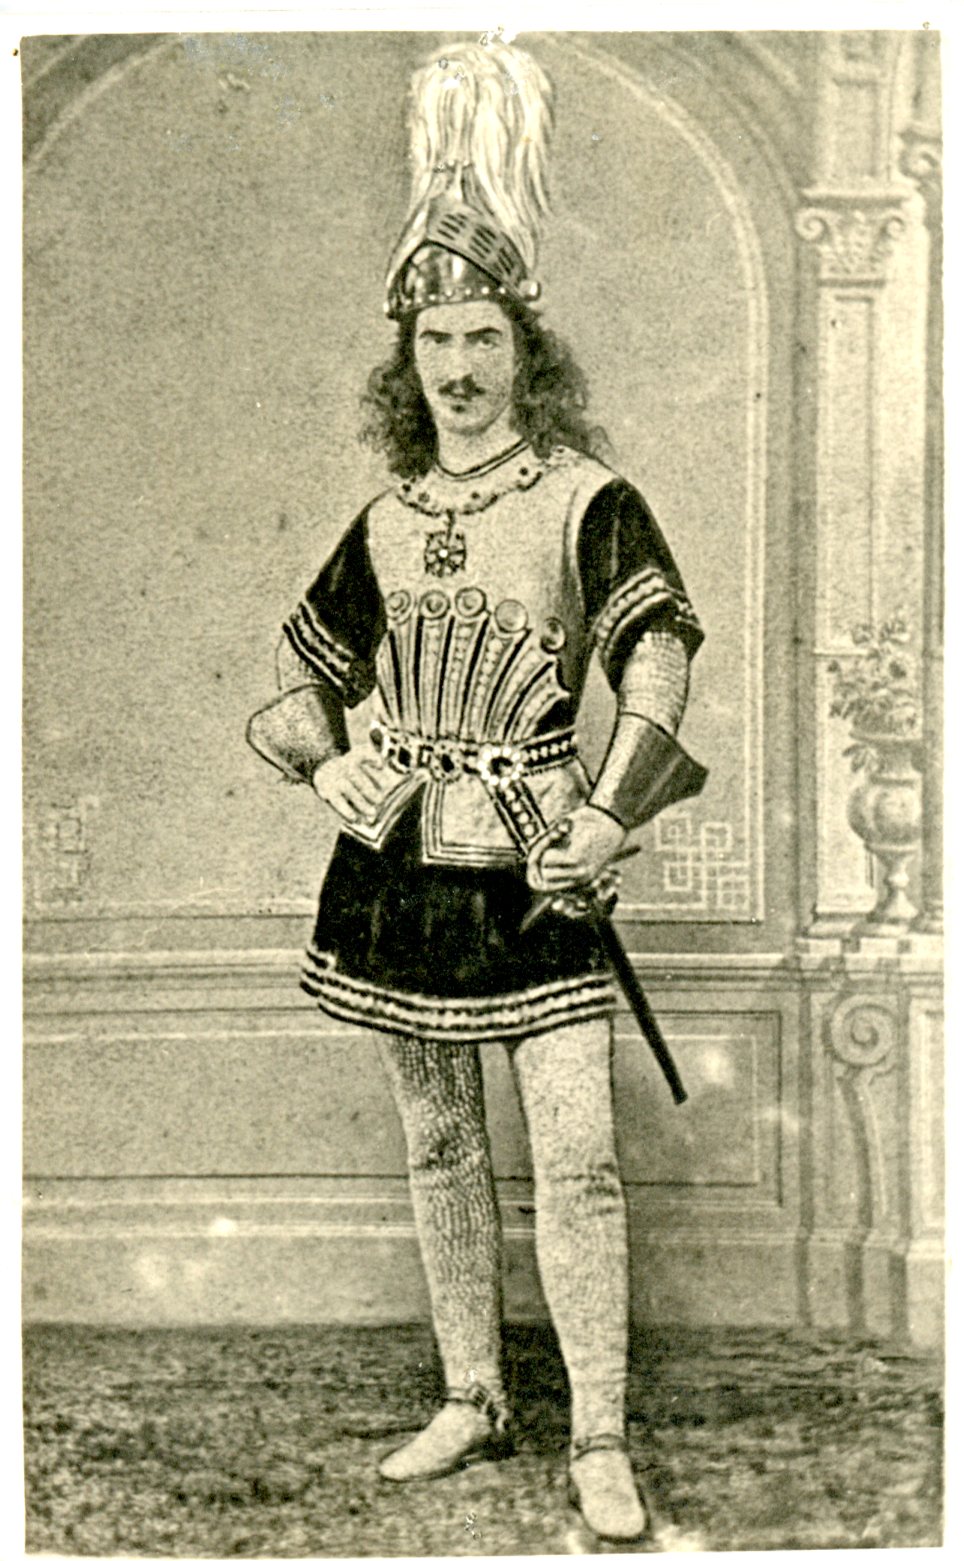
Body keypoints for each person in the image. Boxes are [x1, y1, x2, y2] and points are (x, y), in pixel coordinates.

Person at [248, 39, 705, 1546]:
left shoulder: (584, 499)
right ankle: (471, 1395)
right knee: (440, 1144)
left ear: (526, 351)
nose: (458, 366)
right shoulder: (384, 520)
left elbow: (657, 660)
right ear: (410, 359)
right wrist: (331, 759)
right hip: (401, 868)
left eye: (484, 338)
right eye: (436, 339)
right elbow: (295, 684)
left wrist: (607, 816)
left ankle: (600, 1435)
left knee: (577, 1161)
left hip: (538, 862)